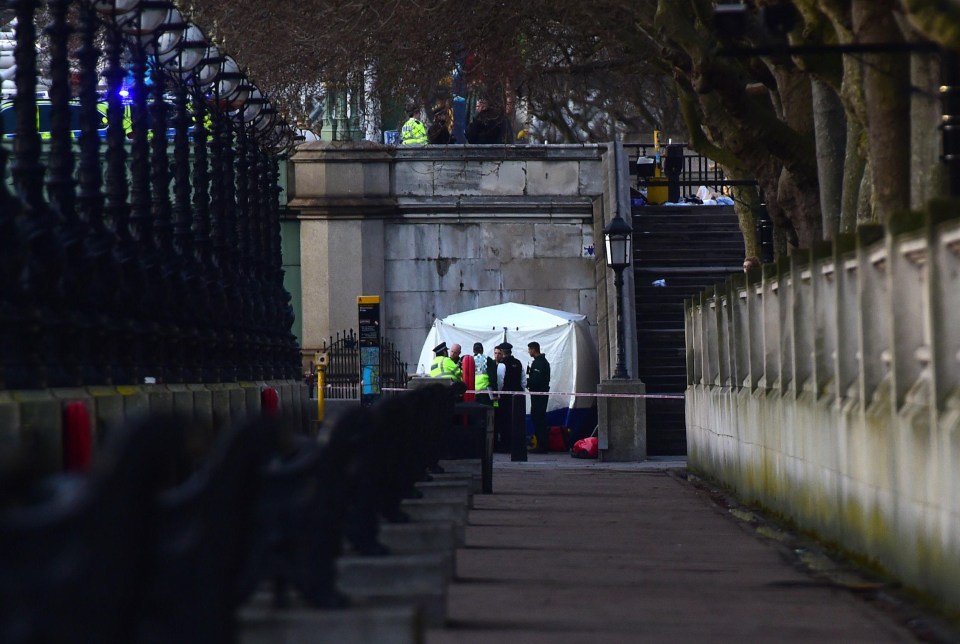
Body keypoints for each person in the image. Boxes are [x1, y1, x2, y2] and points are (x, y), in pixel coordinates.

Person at [494, 342, 526, 460]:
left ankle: (505, 445)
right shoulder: (518, 363)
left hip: (505, 396)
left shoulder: (502, 365)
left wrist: (498, 392)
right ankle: (516, 445)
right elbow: (523, 380)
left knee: (504, 421)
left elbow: (500, 381)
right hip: (518, 396)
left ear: (502, 352)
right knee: (516, 421)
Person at [526, 342, 551, 453]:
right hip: (538, 394)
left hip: (539, 394)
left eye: (529, 349)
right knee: (538, 418)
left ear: (533, 349)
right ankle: (541, 444)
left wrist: (527, 382)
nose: (528, 352)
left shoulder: (539, 363)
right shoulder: (539, 362)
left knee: (538, 418)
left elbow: (536, 380)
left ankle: (542, 445)